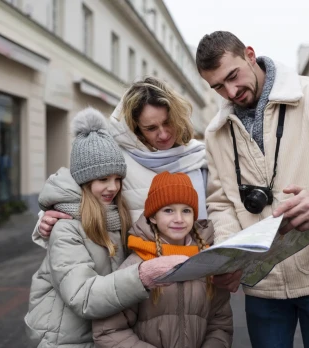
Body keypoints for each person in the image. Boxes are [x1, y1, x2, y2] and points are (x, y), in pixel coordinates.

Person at [195, 31, 309, 347]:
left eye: (233, 76)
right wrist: (228, 256)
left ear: (250, 55)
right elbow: (222, 203)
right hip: (262, 284)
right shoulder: (215, 134)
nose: (230, 91)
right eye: (217, 87)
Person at [24, 108, 188, 348]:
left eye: (117, 178)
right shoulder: (66, 227)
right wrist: (142, 276)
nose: (113, 187)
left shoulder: (116, 216)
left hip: (103, 334)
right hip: (65, 337)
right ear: (85, 181)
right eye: (103, 180)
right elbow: (82, 296)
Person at [35, 77, 207, 243]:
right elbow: (74, 189)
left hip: (199, 259)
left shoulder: (199, 155)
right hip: (138, 264)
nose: (163, 134)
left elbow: (219, 207)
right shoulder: (117, 157)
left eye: (167, 122)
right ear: (136, 129)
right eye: (151, 128)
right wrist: (46, 218)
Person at [92, 172, 233, 348]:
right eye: (168, 210)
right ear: (152, 217)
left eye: (186, 211)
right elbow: (108, 331)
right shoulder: (137, 265)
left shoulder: (207, 262)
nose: (179, 219)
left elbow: (220, 324)